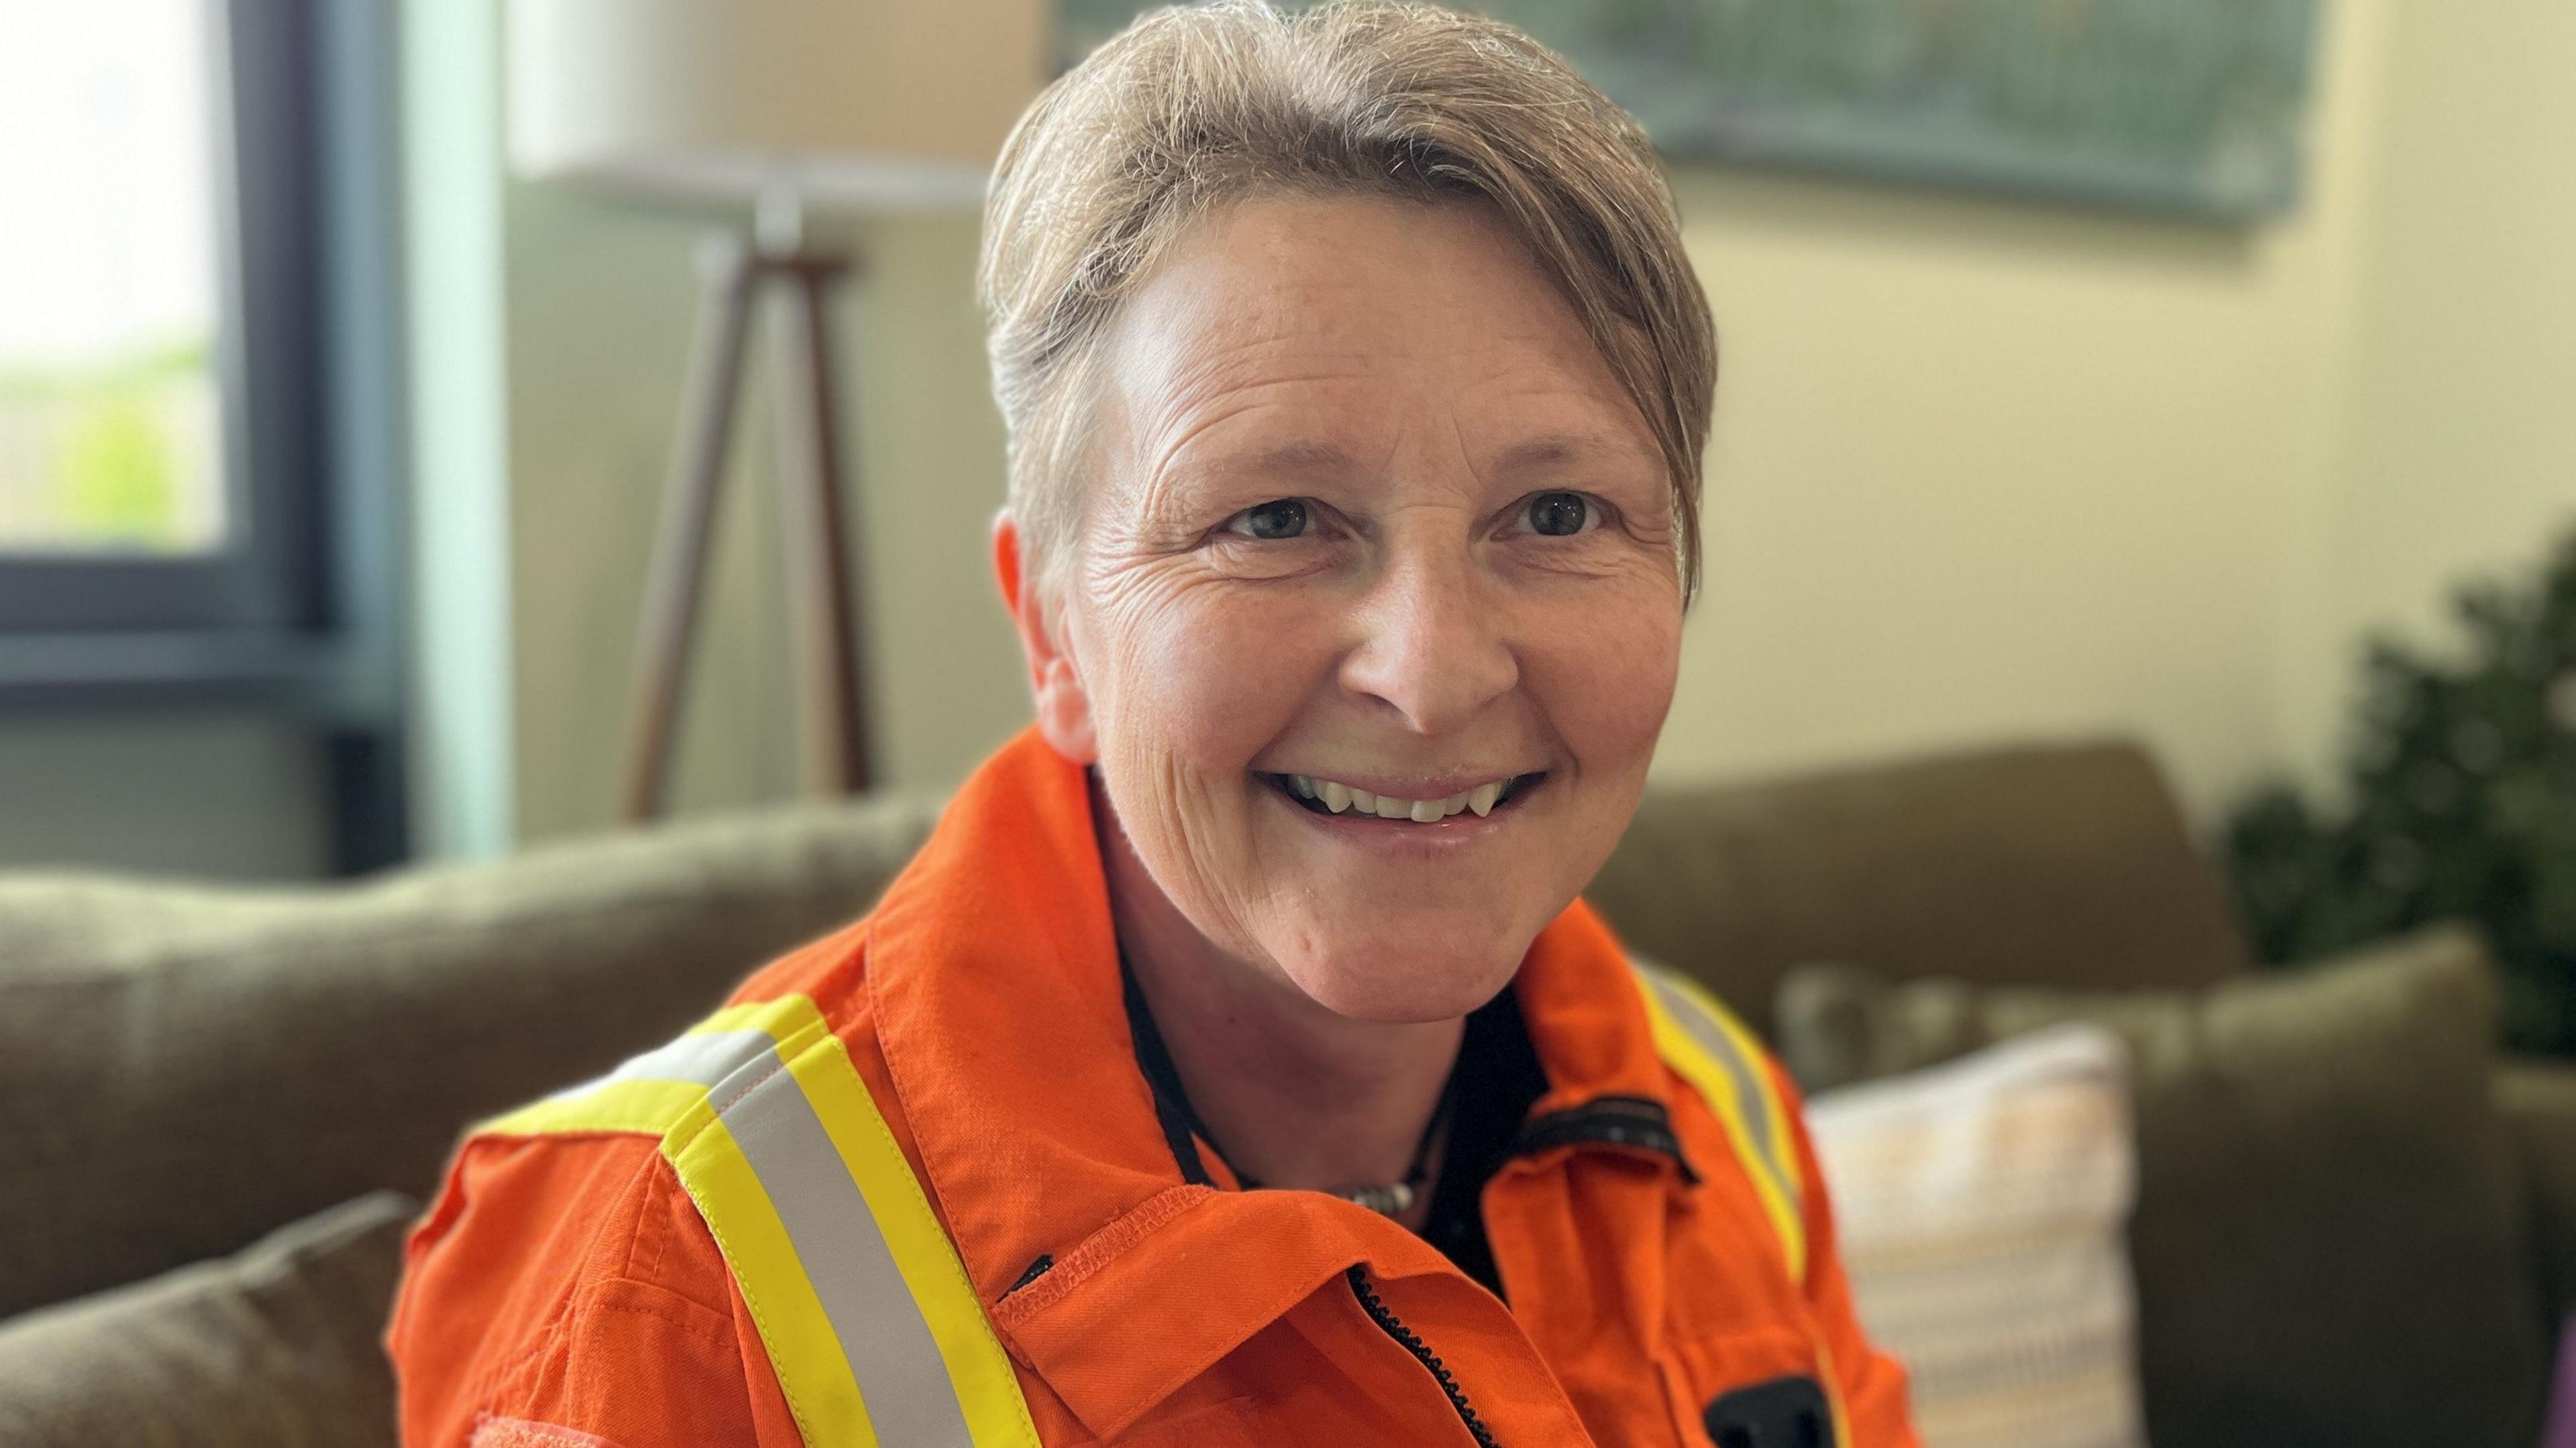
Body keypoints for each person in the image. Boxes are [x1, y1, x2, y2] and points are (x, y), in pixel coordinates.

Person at [386, 3, 1920, 1445]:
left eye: (1560, 512)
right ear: (1053, 627)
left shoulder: (1719, 1110)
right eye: (1275, 520)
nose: (1435, 672)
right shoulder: (673, 1261)